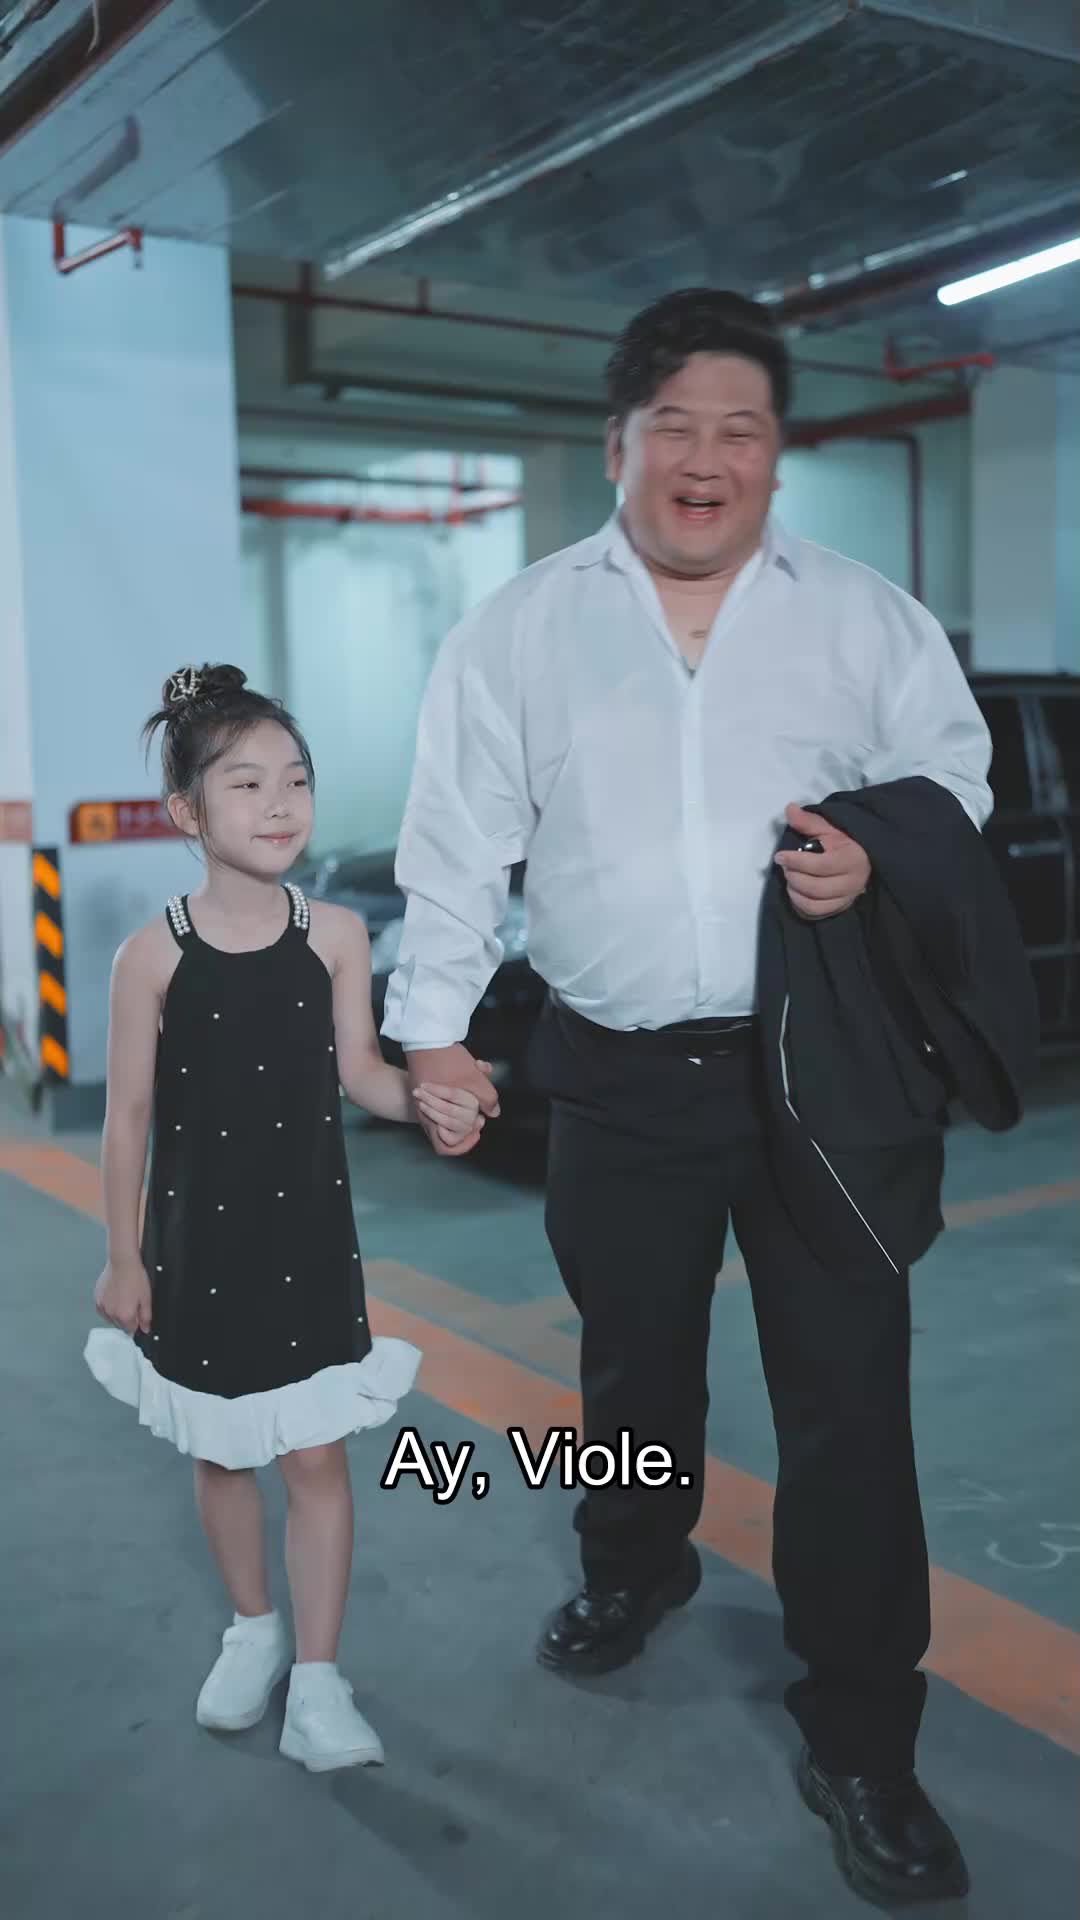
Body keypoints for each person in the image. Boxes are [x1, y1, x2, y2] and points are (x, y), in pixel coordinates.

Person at [381, 290, 993, 1904]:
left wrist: (878, 854)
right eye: (677, 428)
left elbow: (954, 776)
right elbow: (456, 843)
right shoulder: (523, 628)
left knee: (849, 1406)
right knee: (633, 1365)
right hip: (616, 1075)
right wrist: (433, 1037)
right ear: (620, 443)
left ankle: (864, 1739)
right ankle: (634, 1563)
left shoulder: (863, 618)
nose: (707, 460)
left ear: (777, 454)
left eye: (742, 431)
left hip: (823, 1075)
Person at [84, 663, 486, 1773]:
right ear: (188, 812)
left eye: (296, 780)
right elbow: (126, 1119)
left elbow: (363, 1073)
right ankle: (252, 1628)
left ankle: (318, 1678)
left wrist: (430, 1100)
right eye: (247, 783)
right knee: (222, 1456)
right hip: (195, 1249)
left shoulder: (337, 936)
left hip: (307, 1245)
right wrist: (122, 1256)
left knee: (314, 1460)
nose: (279, 805)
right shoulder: (150, 956)